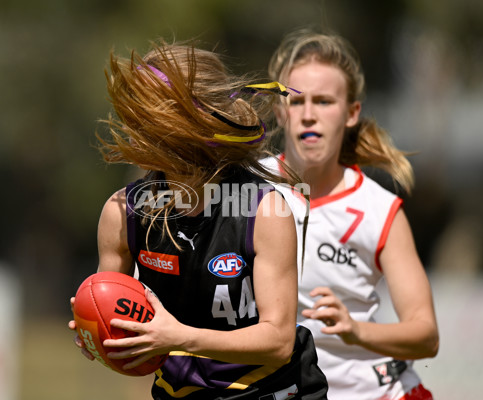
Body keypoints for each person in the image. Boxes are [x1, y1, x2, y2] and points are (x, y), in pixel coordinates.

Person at [68, 39, 328, 400]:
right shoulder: (122, 213)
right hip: (179, 392)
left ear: (190, 119)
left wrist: (179, 337)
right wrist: (95, 330)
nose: (132, 127)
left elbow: (278, 341)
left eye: (146, 114)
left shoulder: (264, 211)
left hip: (270, 390)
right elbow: (112, 313)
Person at [261, 29, 439, 400]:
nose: (309, 115)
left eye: (324, 101)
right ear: (280, 111)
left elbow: (426, 335)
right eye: (296, 102)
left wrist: (354, 330)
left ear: (351, 113)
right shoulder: (247, 189)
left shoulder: (379, 209)